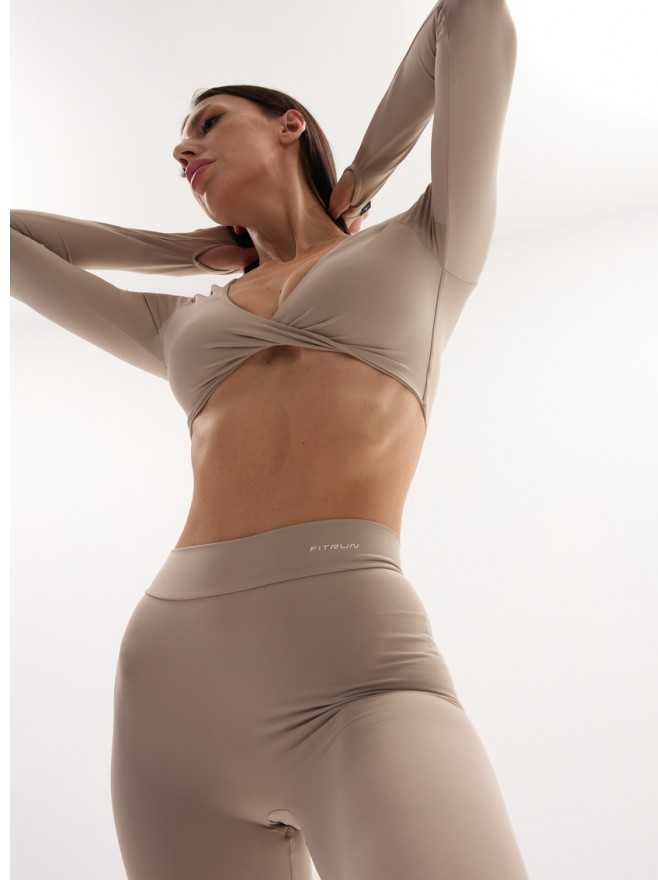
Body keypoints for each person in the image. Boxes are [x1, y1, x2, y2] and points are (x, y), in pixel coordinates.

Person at [10, 0, 525, 877]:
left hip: (357, 666)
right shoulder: (177, 323)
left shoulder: (428, 244)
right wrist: (191, 253)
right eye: (180, 145)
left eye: (207, 123)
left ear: (291, 126)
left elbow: (469, 18)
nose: (184, 150)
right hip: (171, 687)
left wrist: (357, 179)